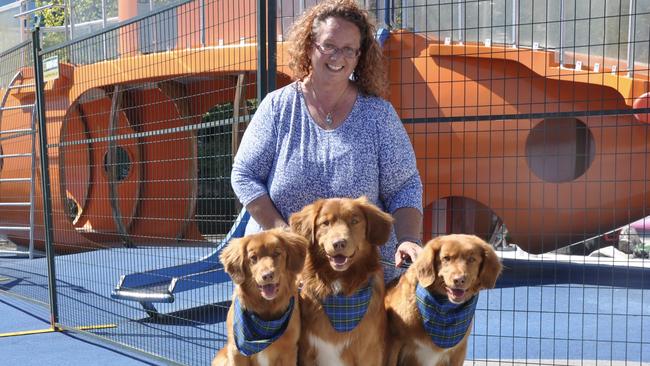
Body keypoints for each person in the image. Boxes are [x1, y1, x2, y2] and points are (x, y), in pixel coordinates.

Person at [230, 0, 423, 278]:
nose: (338, 56)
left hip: (362, 277)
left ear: (360, 56)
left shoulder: (379, 114)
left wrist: (408, 238)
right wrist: (283, 234)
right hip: (287, 273)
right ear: (310, 46)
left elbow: (405, 186)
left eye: (348, 49)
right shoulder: (277, 107)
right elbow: (244, 174)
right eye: (329, 46)